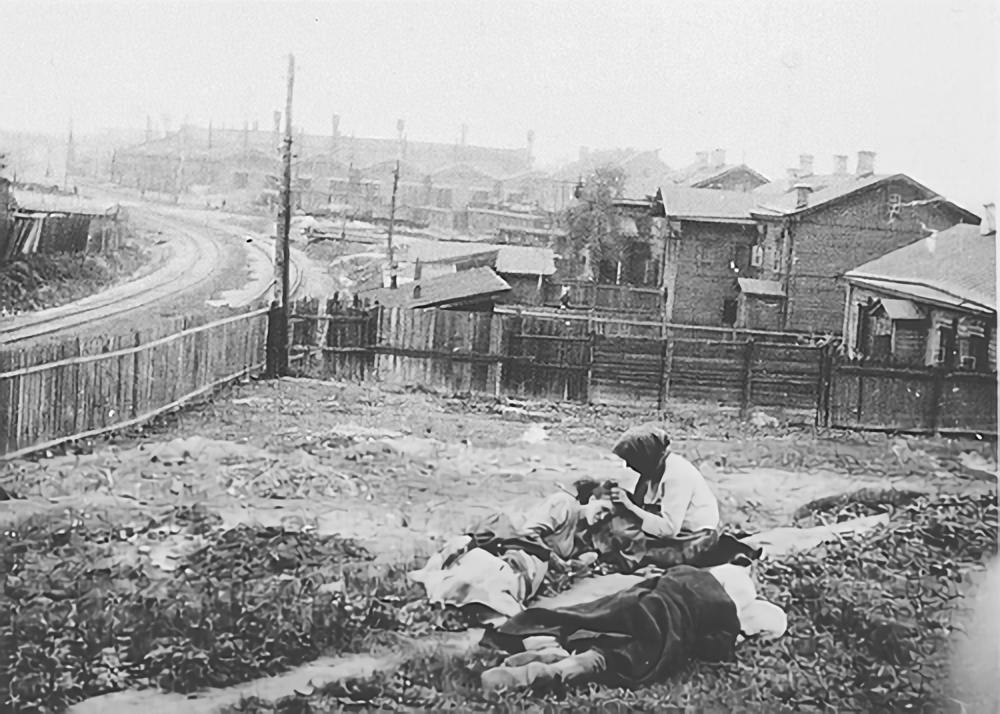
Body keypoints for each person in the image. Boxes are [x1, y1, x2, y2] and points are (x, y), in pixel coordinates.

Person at [480, 563, 787, 693]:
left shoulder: (695, 575)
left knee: (592, 620)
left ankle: (545, 648)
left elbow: (659, 579)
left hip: (643, 599)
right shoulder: (729, 617)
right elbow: (713, 648)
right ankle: (545, 672)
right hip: (666, 619)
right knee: (623, 654)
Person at [409, 491, 613, 618]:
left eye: (607, 516)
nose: (602, 516)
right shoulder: (565, 505)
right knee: (498, 575)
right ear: (593, 498)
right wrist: (556, 560)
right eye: (603, 508)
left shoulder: (581, 536)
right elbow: (530, 533)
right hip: (522, 549)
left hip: (537, 568)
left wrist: (575, 565)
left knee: (507, 587)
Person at [601, 424, 721, 571]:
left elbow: (669, 529)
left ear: (644, 456)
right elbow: (643, 507)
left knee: (634, 551)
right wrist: (622, 497)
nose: (628, 466)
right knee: (616, 536)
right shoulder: (654, 469)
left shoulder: (676, 476)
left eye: (631, 460)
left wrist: (629, 505)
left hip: (695, 538)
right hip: (674, 533)